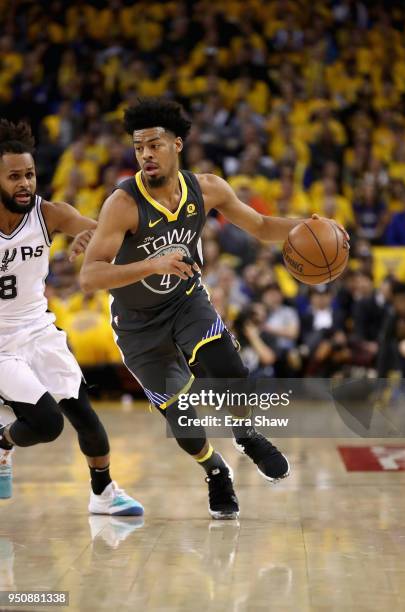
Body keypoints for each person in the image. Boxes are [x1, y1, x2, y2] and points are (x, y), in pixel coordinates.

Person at [81, 98, 346, 519]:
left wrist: (302, 226)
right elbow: (89, 275)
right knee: (184, 425)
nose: (146, 154)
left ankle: (245, 433)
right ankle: (216, 471)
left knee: (229, 368)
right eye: (138, 147)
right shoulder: (123, 203)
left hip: (185, 301)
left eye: (155, 144)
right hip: (137, 324)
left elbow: (259, 227)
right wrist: (154, 262)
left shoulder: (208, 189)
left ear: (177, 145)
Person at [0, 119, 142, 516]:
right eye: (14, 177)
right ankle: (3, 441)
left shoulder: (48, 214)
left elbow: (112, 238)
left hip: (39, 329)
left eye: (29, 174)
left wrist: (92, 240)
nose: (25, 183)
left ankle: (104, 493)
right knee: (47, 424)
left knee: (84, 415)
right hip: (0, 346)